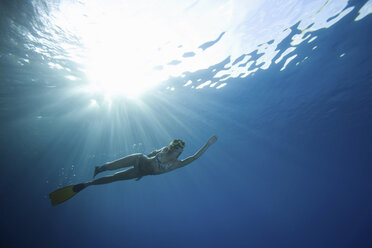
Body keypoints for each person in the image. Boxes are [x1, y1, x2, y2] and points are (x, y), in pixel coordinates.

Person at [49, 135, 218, 206]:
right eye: (175, 145)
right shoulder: (163, 150)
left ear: (180, 152)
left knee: (113, 178)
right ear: (172, 146)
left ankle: (86, 184)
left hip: (139, 172)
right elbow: (152, 154)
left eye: (178, 148)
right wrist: (153, 155)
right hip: (138, 159)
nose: (176, 148)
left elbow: (194, 158)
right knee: (110, 167)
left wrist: (208, 145)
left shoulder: (177, 164)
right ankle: (100, 167)